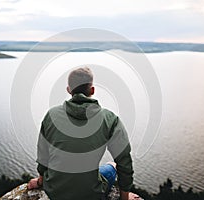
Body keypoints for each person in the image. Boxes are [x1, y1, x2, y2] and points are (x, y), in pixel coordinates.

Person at [28, 67, 141, 200]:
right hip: (91, 193)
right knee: (113, 166)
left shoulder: (51, 115)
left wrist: (41, 180)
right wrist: (124, 197)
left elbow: (43, 155)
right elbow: (124, 161)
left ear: (69, 90)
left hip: (55, 190)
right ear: (92, 90)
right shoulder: (110, 119)